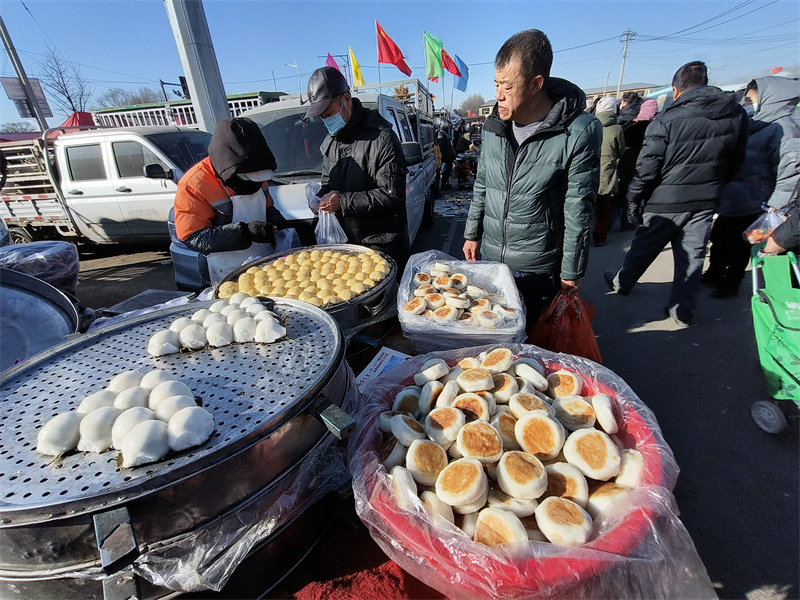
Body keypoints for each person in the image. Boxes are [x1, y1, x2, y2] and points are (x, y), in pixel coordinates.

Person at [463, 29, 602, 326]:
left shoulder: (577, 132)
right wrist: (472, 233)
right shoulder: (493, 127)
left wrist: (570, 272)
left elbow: (578, 209)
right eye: (496, 84)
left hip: (535, 267)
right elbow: (483, 184)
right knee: (490, 335)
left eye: (508, 87)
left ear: (537, 83)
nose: (498, 95)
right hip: (490, 261)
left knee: (532, 345)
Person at [605, 61, 748, 327]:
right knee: (692, 256)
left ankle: (622, 282)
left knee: (645, 246)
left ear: (676, 89)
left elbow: (648, 166)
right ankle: (682, 310)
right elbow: (737, 159)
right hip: (707, 197)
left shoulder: (669, 119)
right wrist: (716, 185)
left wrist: (634, 196)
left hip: (666, 198)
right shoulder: (735, 114)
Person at [704, 76, 800, 298]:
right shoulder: (754, 123)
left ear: (771, 99)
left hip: (756, 198)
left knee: (742, 243)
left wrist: (777, 203)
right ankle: (715, 271)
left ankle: (732, 280)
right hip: (733, 195)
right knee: (719, 237)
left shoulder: (785, 130)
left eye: (750, 99)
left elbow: (790, 170)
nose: (747, 103)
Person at [305, 66, 409, 268]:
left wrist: (342, 201)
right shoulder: (331, 142)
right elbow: (328, 183)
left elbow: (392, 194)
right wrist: (319, 199)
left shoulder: (381, 137)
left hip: (381, 248)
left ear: (346, 100)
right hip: (344, 247)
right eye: (322, 117)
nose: (326, 121)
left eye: (329, 113)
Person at [173, 117, 286, 285]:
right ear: (229, 170)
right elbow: (193, 238)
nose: (255, 184)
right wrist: (244, 232)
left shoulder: (255, 171)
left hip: (265, 264)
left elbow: (267, 207)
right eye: (248, 179)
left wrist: (278, 221)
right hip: (224, 272)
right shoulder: (194, 184)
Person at [612, 98, 659, 232]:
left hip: (625, 164)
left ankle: (610, 224)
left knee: (619, 197)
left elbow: (620, 148)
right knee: (634, 197)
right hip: (643, 167)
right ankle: (628, 223)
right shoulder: (656, 128)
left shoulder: (628, 126)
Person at [592, 96, 626, 247]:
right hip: (606, 170)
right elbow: (621, 150)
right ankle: (600, 237)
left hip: (589, 169)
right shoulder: (617, 128)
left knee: (584, 207)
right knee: (604, 207)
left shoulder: (590, 124)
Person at [437, 123, 456, 190]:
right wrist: (444, 155)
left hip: (448, 157)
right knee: (446, 171)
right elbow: (441, 146)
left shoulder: (445, 134)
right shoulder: (441, 134)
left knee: (448, 170)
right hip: (445, 157)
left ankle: (445, 182)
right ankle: (444, 183)